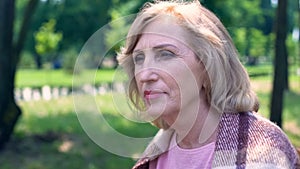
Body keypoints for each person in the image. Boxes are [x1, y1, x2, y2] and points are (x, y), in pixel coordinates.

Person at [117, 0, 300, 168]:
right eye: (139, 58)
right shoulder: (158, 150)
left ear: (207, 67)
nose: (145, 75)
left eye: (166, 54)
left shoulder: (262, 152)